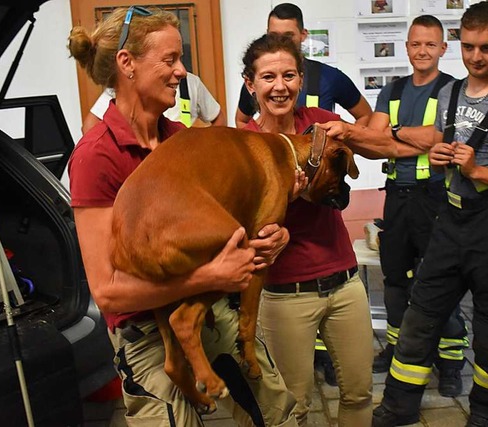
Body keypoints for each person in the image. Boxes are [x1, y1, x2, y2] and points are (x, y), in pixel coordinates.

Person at [67, 7, 298, 426]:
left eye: (181, 59)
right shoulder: (95, 156)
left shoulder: (180, 138)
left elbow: (228, 229)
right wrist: (210, 278)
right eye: (170, 60)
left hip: (210, 312)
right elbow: (109, 292)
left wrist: (266, 241)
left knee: (276, 415)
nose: (182, 71)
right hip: (145, 335)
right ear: (127, 63)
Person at [370, 3, 488, 426]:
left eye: (487, 48)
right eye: (468, 47)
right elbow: (444, 148)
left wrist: (477, 170)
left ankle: (484, 412)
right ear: (459, 43)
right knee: (419, 317)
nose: (476, 57)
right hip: (450, 220)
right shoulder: (450, 93)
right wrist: (442, 155)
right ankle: (399, 405)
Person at [317, 14, 469, 395]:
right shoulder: (393, 91)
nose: (422, 51)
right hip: (397, 197)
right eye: (416, 43)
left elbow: (441, 137)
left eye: (430, 44)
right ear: (406, 47)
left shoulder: (452, 90)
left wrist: (394, 135)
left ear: (443, 48)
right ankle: (398, 347)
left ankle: (449, 361)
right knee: (396, 281)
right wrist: (410, 140)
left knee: (440, 282)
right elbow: (371, 143)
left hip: (437, 196)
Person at [241, 33, 374, 426]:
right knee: (293, 406)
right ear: (251, 84)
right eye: (268, 78)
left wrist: (351, 135)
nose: (279, 87)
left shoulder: (322, 125)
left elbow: (370, 144)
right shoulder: (244, 144)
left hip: (345, 282)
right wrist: (288, 197)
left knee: (359, 392)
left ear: (301, 79)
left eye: (288, 76)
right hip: (286, 295)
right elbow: (244, 224)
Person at [234, 3, 372, 129]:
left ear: (303, 35)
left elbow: (364, 115)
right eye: (273, 36)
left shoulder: (330, 77)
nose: (280, 86)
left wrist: (339, 150)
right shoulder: (257, 81)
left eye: (288, 36)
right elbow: (242, 120)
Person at [82, 73, 226, 134]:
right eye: (169, 60)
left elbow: (218, 118)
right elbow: (89, 126)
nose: (180, 69)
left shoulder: (190, 82)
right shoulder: (125, 85)